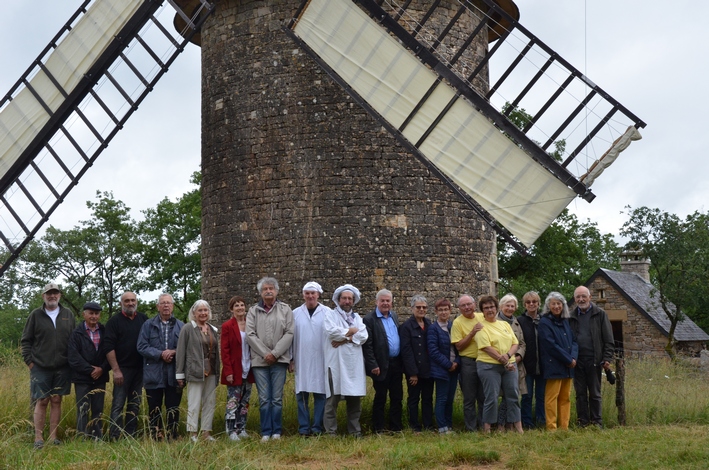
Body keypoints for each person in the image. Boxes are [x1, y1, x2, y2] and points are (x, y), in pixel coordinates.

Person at [21, 283, 76, 448]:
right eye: (49, 293)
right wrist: (30, 363)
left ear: (59, 295)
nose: (52, 296)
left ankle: (53, 437)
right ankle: (38, 438)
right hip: (40, 366)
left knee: (57, 399)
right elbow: (26, 340)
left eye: (55, 293)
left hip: (62, 366)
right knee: (42, 400)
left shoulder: (68, 314)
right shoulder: (35, 315)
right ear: (43, 296)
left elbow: (74, 339)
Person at [246, 277, 294, 442]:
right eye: (265, 289)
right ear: (260, 292)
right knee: (264, 398)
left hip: (279, 361)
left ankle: (276, 432)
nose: (268, 291)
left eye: (271, 288)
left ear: (276, 291)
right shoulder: (253, 311)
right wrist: (265, 353)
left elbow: (289, 333)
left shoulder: (285, 309)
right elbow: (250, 334)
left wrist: (275, 353)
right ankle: (266, 432)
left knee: (277, 398)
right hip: (260, 362)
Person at [322, 284, 368, 437]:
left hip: (353, 365)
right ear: (338, 300)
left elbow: (363, 336)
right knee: (332, 401)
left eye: (350, 298)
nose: (347, 301)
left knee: (354, 400)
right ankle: (331, 432)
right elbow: (332, 332)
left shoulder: (357, 318)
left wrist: (345, 339)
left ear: (353, 301)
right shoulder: (330, 315)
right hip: (335, 363)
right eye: (344, 298)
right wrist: (351, 333)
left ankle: (355, 431)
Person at [137, 293, 184, 440]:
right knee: (154, 407)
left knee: (173, 407)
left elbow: (186, 347)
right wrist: (160, 354)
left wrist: (174, 352)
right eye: (162, 303)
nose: (165, 306)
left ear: (173, 306)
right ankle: (155, 435)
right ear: (158, 306)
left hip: (174, 372)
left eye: (168, 303)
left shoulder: (181, 325)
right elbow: (141, 346)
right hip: (153, 373)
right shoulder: (148, 325)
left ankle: (172, 434)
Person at [475, 295, 523, 433]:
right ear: (482, 311)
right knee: (491, 397)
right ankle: (487, 428)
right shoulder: (480, 327)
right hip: (488, 366)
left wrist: (508, 357)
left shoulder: (504, 324)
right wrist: (504, 360)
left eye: (492, 307)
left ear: (496, 308)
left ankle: (518, 427)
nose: (490, 310)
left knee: (513, 395)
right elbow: (486, 347)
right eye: (486, 308)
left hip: (510, 365)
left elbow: (515, 343)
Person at [103, 291, 147, 440]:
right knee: (118, 404)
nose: (130, 303)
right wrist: (116, 370)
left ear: (136, 302)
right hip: (122, 370)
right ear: (121, 303)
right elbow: (108, 347)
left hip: (140, 370)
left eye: (133, 300)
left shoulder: (143, 319)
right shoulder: (114, 322)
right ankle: (115, 435)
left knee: (135, 403)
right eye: (127, 301)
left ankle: (131, 434)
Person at [569, 286, 614, 427]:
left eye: (583, 296)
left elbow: (608, 339)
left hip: (594, 360)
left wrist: (606, 358)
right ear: (575, 299)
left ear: (590, 297)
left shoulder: (600, 314)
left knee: (595, 393)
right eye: (578, 297)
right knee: (580, 394)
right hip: (577, 361)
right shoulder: (571, 316)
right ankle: (583, 422)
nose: (581, 299)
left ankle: (597, 423)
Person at [176, 299, 220, 442]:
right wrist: (180, 374)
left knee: (210, 402)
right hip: (195, 371)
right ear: (194, 313)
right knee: (194, 403)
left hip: (211, 371)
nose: (203, 313)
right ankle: (192, 433)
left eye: (205, 310)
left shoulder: (213, 329)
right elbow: (181, 351)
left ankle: (206, 433)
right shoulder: (188, 328)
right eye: (200, 310)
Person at [363, 289, 403, 433]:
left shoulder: (394, 316)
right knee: (380, 397)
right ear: (377, 302)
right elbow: (367, 345)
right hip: (380, 365)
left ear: (391, 302)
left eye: (388, 301)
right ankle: (379, 428)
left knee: (397, 397)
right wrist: (373, 364)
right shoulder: (369, 319)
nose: (385, 303)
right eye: (383, 301)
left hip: (396, 363)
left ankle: (396, 427)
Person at [291, 281, 328, 436]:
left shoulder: (327, 312)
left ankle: (317, 427)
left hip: (321, 359)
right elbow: (290, 337)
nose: (310, 296)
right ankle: (304, 427)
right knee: (302, 395)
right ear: (303, 295)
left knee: (321, 394)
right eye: (307, 293)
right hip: (301, 359)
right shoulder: (295, 313)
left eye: (313, 293)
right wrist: (290, 359)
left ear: (318, 295)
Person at [68, 301, 109, 440]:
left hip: (101, 378)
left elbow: (109, 353)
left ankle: (97, 438)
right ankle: (82, 438)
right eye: (91, 313)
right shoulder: (76, 333)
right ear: (84, 314)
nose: (94, 316)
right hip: (82, 378)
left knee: (98, 410)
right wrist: (91, 370)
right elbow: (73, 357)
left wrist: (102, 369)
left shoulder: (105, 331)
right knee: (82, 409)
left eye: (96, 313)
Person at [538, 292, 578, 431]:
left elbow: (573, 341)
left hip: (568, 366)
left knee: (565, 398)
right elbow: (550, 345)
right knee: (552, 398)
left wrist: (573, 358)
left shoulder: (566, 321)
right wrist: (568, 359)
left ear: (563, 305)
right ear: (548, 306)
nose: (556, 306)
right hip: (553, 365)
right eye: (553, 303)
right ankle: (551, 428)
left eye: (559, 303)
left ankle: (564, 427)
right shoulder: (544, 322)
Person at [221, 296, 254, 441]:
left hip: (249, 367)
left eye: (242, 305)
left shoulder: (251, 324)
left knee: (245, 400)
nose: (240, 308)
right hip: (235, 368)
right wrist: (228, 371)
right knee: (233, 400)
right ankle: (231, 430)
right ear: (231, 309)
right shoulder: (227, 326)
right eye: (236, 306)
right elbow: (225, 350)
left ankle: (242, 428)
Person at [450, 294, 484, 431]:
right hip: (468, 363)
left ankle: (484, 426)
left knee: (484, 396)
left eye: (469, 304)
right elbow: (459, 346)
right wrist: (472, 333)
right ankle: (471, 428)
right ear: (459, 308)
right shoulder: (457, 323)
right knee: (469, 398)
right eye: (463, 305)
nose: (467, 307)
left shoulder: (482, 317)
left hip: (484, 360)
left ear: (474, 304)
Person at [399, 294, 433, 432]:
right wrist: (412, 373)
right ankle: (414, 427)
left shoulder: (429, 324)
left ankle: (428, 425)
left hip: (428, 369)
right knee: (413, 399)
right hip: (414, 371)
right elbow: (406, 351)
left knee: (428, 399)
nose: (421, 309)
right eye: (418, 307)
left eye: (424, 307)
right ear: (412, 308)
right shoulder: (406, 327)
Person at [427, 298, 459, 434]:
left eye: (446, 309)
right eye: (440, 310)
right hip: (441, 370)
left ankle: (449, 425)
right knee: (441, 398)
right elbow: (433, 351)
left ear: (450, 311)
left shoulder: (453, 326)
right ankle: (442, 427)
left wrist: (456, 362)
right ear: (436, 312)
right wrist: (448, 365)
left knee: (450, 399)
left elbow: (459, 347)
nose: (443, 312)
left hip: (455, 369)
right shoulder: (433, 329)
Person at [496, 294, 526, 430]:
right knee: (502, 396)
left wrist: (518, 357)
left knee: (513, 396)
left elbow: (522, 343)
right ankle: (501, 425)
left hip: (515, 364)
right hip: (498, 363)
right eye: (507, 305)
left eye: (512, 306)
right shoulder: (494, 321)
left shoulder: (516, 322)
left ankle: (511, 424)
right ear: (501, 306)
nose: (509, 308)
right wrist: (505, 358)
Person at [517, 291, 545, 429]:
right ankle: (527, 423)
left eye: (534, 301)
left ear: (539, 303)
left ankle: (541, 421)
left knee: (542, 396)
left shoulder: (545, 320)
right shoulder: (520, 321)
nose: (531, 304)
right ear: (524, 304)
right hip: (526, 365)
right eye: (528, 302)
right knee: (527, 396)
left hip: (543, 365)